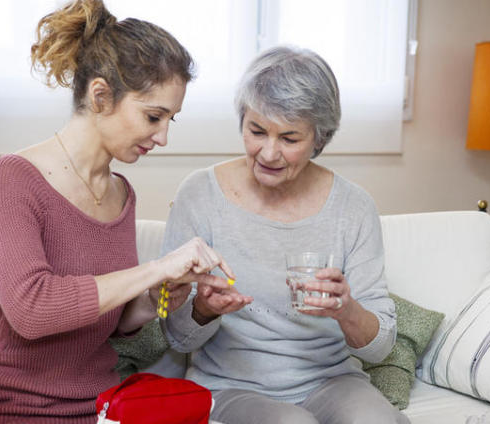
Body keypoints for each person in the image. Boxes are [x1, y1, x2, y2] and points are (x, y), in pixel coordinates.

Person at [0, 1, 243, 422]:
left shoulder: (121, 194)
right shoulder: (10, 179)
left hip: (102, 410)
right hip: (15, 411)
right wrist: (156, 269)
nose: (163, 137)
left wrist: (156, 298)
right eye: (153, 116)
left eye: (171, 120)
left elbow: (114, 323)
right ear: (101, 95)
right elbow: (32, 311)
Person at [160, 46, 409, 424]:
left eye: (290, 139)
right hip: (231, 386)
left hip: (333, 381)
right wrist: (203, 310)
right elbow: (175, 336)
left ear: (319, 139)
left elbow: (380, 348)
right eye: (257, 131)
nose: (269, 153)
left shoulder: (354, 207)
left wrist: (346, 310)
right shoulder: (199, 194)